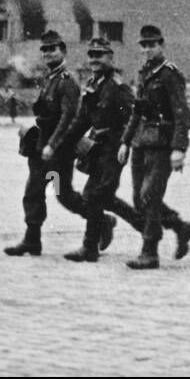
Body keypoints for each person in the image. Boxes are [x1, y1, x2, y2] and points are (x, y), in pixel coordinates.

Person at [49, 36, 137, 262]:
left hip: (114, 148)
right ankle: (144, 226)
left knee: (97, 196)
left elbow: (133, 118)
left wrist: (125, 144)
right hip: (97, 149)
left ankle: (90, 248)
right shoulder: (93, 85)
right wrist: (61, 145)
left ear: (110, 57)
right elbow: (81, 121)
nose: (95, 60)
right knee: (96, 196)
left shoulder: (118, 87)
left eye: (100, 55)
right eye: (92, 55)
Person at [117, 25, 190, 270]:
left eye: (152, 45)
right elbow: (137, 111)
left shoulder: (169, 74)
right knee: (139, 199)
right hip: (141, 142)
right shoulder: (144, 74)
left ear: (161, 45)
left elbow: (182, 113)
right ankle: (181, 228)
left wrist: (179, 148)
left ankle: (149, 251)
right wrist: (125, 141)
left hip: (162, 144)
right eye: (144, 45)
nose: (147, 49)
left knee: (149, 195)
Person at [5, 31, 89, 257]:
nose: (48, 53)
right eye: (44, 50)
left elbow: (68, 117)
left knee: (64, 195)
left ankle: (101, 221)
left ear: (63, 51)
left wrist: (53, 145)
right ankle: (32, 240)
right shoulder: (49, 79)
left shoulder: (67, 82)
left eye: (52, 49)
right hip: (40, 149)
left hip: (57, 152)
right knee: (33, 191)